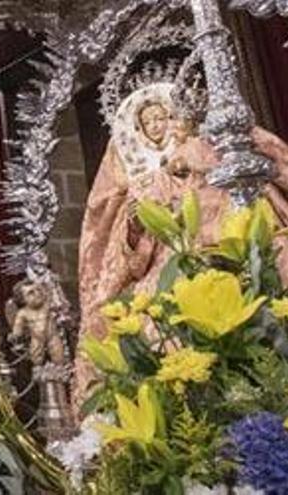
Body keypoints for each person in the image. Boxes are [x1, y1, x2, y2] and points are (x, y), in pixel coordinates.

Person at [75, 82, 288, 404]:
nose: (158, 126)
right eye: (149, 122)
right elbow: (132, 260)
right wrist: (135, 225)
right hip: (174, 263)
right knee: (152, 323)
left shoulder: (216, 151)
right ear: (140, 132)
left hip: (237, 247)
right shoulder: (147, 183)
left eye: (163, 117)